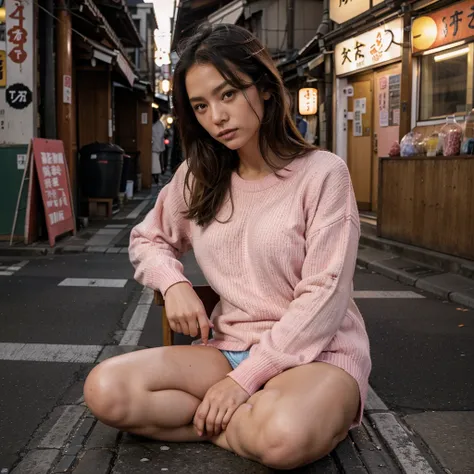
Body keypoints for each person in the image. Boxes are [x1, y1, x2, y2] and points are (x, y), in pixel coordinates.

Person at [84, 24, 371, 470]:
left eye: (228, 94)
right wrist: (173, 283)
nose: (216, 116)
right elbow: (147, 238)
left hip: (319, 354)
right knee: (105, 390)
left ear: (266, 90)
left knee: (284, 436)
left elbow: (325, 295)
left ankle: (236, 419)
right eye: (200, 105)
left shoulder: (323, 174)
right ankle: (245, 424)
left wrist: (246, 380)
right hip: (229, 348)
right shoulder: (199, 178)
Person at [152, 108, 165, 184]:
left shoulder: (157, 125)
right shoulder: (159, 124)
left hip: (155, 146)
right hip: (157, 146)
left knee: (155, 162)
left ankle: (156, 177)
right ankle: (156, 177)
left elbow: (158, 136)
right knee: (156, 162)